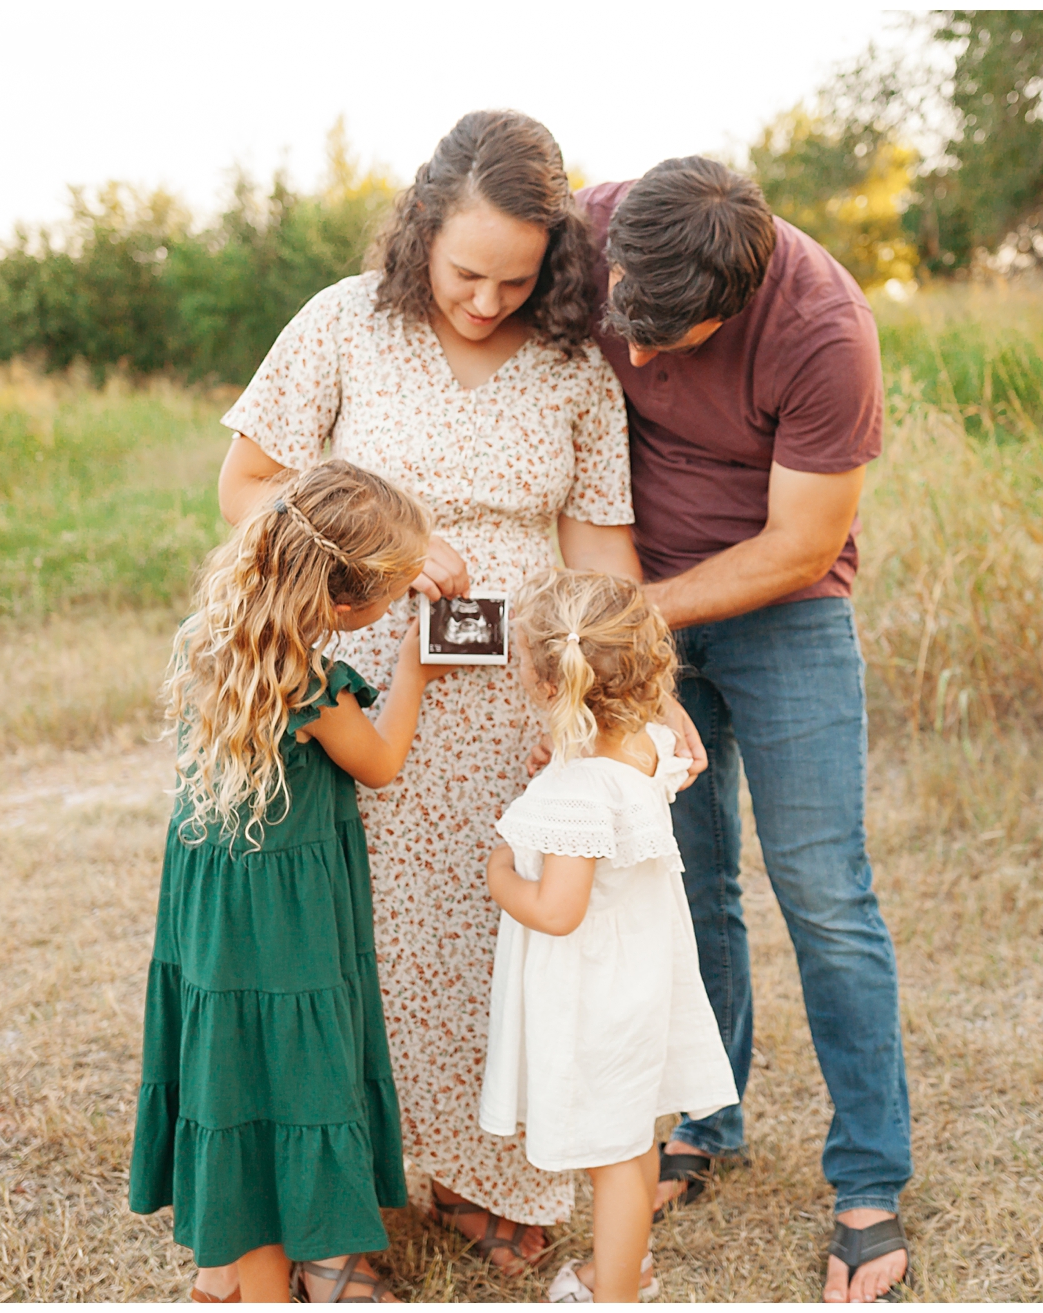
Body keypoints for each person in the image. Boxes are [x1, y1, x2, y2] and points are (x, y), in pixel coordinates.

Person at [214, 110, 702, 1276]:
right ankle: (365, 1198)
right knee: (369, 938)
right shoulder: (342, 322)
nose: (487, 300)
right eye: (465, 272)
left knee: (508, 928)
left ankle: (491, 1175)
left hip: (534, 698)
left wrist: (634, 688)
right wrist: (380, 556)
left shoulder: (575, 361)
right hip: (377, 686)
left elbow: (598, 541)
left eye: (516, 279)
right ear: (420, 232)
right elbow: (247, 487)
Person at [574, 158, 913, 1302]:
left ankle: (869, 1182)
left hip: (784, 618)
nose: (651, 360)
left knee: (824, 888)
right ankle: (711, 1123)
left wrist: (628, 618)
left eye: (681, 339)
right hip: (640, 600)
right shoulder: (595, 224)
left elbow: (799, 546)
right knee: (688, 875)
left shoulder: (826, 333)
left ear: (746, 291)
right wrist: (627, 625)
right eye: (635, 326)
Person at [129, 460, 450, 1303]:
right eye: (391, 590)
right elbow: (379, 764)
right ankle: (271, 1276)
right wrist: (416, 667)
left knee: (227, 1060)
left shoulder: (211, 639)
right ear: (346, 605)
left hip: (213, 898)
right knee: (284, 1074)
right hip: (286, 911)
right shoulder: (310, 681)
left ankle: (219, 1270)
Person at [479, 569, 737, 1303]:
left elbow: (558, 909)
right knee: (630, 1145)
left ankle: (614, 1292)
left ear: (539, 675)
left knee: (613, 1154)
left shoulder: (575, 788)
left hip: (590, 992)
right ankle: (620, 1270)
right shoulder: (650, 743)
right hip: (639, 974)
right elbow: (654, 784)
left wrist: (501, 871)